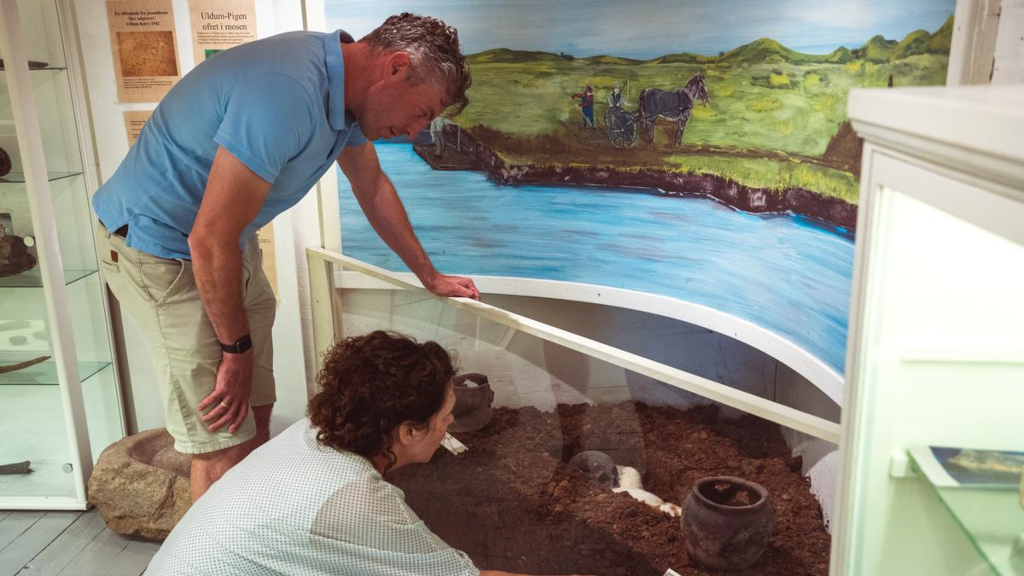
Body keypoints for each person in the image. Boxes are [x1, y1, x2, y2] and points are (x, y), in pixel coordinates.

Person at [92, 13, 481, 502]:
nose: (416, 131)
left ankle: (260, 542)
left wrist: (430, 276)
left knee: (254, 412)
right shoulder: (284, 92)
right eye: (423, 112)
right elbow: (207, 239)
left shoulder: (348, 96)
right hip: (163, 248)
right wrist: (235, 351)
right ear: (397, 67)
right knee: (219, 442)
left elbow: (372, 184)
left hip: (228, 241)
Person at [144, 331, 595, 576]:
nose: (450, 426)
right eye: (445, 416)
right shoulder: (355, 498)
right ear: (407, 430)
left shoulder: (312, 432)